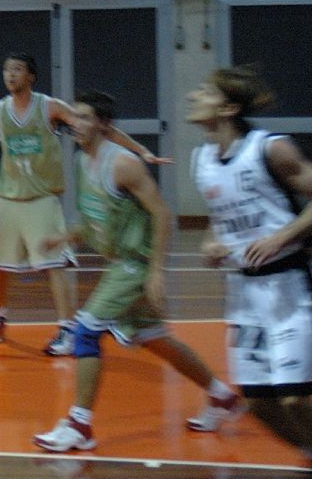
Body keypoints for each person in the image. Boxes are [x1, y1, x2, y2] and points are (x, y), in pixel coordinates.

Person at [32, 90, 242, 455]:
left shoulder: (124, 164)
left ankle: (79, 425)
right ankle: (220, 396)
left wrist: (156, 271)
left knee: (84, 333)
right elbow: (95, 216)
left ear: (103, 124)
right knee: (155, 338)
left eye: (83, 117)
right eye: (73, 117)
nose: (75, 124)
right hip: (120, 262)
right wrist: (64, 236)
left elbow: (162, 214)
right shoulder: (83, 162)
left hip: (135, 264)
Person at [0, 52, 164, 354]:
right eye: (7, 70)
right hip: (8, 197)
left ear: (31, 76)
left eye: (17, 70)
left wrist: (141, 150)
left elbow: (100, 127)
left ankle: (66, 327)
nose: (11, 75)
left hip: (42, 198)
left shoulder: (49, 107)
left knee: (54, 265)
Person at [189, 67, 312, 479]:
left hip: (291, 288)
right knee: (258, 402)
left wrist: (282, 237)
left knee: (294, 398)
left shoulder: (270, 148)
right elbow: (221, 216)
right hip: (244, 294)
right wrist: (211, 244)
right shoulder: (202, 158)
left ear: (228, 108)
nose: (192, 95)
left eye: (203, 90)